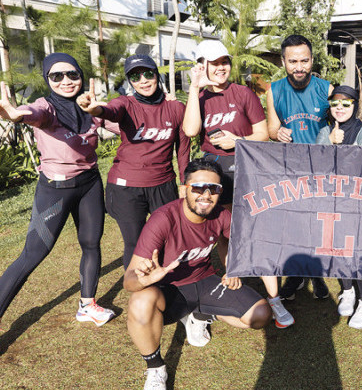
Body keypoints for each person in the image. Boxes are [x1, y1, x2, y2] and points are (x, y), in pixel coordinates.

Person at [124, 158, 271, 390]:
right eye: (198, 187)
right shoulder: (163, 219)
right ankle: (156, 370)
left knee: (260, 315)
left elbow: (231, 241)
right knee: (139, 301)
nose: (206, 195)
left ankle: (200, 313)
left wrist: (232, 269)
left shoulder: (221, 213)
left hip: (205, 281)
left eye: (214, 189)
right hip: (169, 290)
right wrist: (146, 280)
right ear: (184, 189)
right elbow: (129, 280)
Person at [183, 40, 294, 330]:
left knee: (258, 229)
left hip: (247, 166)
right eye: (213, 62)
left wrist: (237, 141)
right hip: (213, 169)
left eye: (224, 61)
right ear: (202, 65)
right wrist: (194, 88)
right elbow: (191, 130)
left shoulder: (242, 92)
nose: (220, 68)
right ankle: (235, 280)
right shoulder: (202, 97)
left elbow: (262, 134)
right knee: (225, 229)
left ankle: (274, 297)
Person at [0, 54, 116, 328]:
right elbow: (32, 114)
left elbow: (122, 123)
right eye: (57, 76)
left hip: (89, 184)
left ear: (81, 77)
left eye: (72, 75)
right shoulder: (46, 107)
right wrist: (16, 115)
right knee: (32, 255)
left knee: (91, 243)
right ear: (47, 79)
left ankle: (87, 305)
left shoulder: (89, 107)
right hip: (55, 190)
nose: (66, 81)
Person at [77, 54, 190, 270]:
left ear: (157, 74)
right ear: (130, 82)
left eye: (148, 74)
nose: (143, 81)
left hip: (163, 184)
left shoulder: (176, 109)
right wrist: (94, 109)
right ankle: (138, 292)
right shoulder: (126, 104)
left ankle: (169, 289)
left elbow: (183, 148)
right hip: (126, 187)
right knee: (135, 243)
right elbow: (111, 111)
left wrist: (185, 183)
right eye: (135, 77)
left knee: (168, 238)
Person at [266, 34, 334, 300]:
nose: (299, 67)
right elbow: (271, 128)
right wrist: (278, 132)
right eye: (293, 61)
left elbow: (342, 123)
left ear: (312, 60)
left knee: (316, 226)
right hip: (289, 169)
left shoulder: (326, 89)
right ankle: (295, 277)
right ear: (283, 62)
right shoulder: (274, 90)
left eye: (304, 61)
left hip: (321, 169)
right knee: (293, 226)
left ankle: (315, 276)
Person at [316, 85, 362, 329]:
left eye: (346, 104)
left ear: (355, 106)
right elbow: (315, 165)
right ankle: (347, 290)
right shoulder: (325, 131)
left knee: (359, 251)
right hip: (331, 201)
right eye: (335, 104)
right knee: (338, 248)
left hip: (360, 204)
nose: (340, 108)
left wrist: (343, 150)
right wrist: (330, 143)